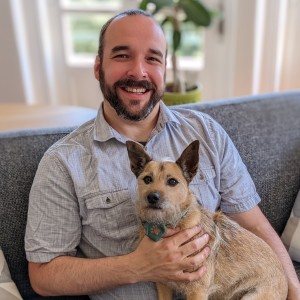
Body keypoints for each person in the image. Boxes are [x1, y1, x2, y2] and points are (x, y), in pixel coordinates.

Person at [25, 9, 300, 299]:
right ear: (98, 67)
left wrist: (294, 290)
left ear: (164, 70)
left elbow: (252, 223)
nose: (138, 71)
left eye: (152, 58)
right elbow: (44, 276)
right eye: (122, 55)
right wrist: (137, 266)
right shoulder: (63, 162)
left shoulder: (206, 132)